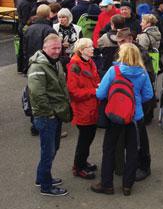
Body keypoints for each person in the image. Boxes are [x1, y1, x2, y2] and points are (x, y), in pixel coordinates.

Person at [92, 43, 154, 195]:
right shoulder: (143, 73)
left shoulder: (114, 71)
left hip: (115, 116)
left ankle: (107, 184)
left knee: (109, 149)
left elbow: (100, 94)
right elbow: (149, 95)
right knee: (132, 151)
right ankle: (127, 185)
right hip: (135, 117)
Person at [28, 34, 72, 196]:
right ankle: (46, 187)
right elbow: (37, 94)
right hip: (46, 116)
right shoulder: (38, 67)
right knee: (48, 151)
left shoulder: (55, 62)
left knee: (53, 148)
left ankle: (42, 178)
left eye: (59, 47)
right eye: (53, 48)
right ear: (44, 48)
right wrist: (50, 113)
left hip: (56, 113)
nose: (56, 51)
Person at [67, 38, 100, 180]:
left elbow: (95, 79)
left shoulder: (90, 62)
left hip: (92, 107)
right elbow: (73, 92)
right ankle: (78, 167)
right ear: (81, 50)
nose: (93, 49)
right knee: (84, 139)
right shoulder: (75, 65)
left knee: (89, 137)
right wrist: (94, 91)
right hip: (83, 109)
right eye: (89, 47)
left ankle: (82, 162)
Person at [23, 5, 57, 74]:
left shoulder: (29, 29)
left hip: (31, 61)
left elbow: (24, 47)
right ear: (49, 14)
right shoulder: (49, 30)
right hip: (45, 63)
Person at [16, 0, 36, 73]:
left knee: (22, 48)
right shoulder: (25, 3)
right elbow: (25, 19)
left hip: (22, 26)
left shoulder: (22, 1)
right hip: (25, 27)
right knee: (25, 49)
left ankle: (20, 68)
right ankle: (24, 68)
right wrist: (35, 17)